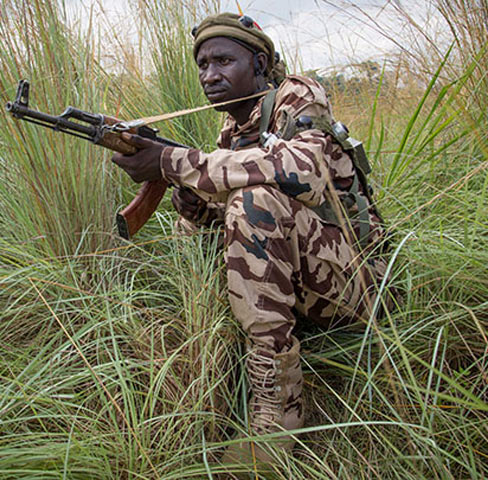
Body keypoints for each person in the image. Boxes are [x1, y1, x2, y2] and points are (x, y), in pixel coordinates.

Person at [111, 12, 392, 465]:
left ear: (259, 64)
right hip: (316, 274)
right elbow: (240, 206)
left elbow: (302, 176)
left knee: (254, 202)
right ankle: (205, 357)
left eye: (223, 60)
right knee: (196, 223)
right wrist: (201, 209)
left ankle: (276, 418)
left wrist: (171, 162)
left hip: (362, 284)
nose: (209, 75)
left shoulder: (297, 95)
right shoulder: (233, 131)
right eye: (202, 64)